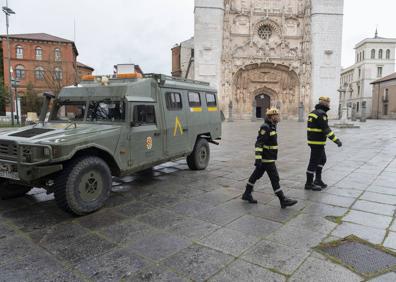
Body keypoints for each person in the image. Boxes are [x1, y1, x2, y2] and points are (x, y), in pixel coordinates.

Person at [242, 108, 298, 209]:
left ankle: (247, 193)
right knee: (274, 178)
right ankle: (282, 199)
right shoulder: (266, 127)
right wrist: (258, 159)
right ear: (272, 117)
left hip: (268, 157)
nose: (279, 117)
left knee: (256, 175)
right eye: (277, 115)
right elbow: (259, 143)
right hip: (267, 158)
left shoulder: (272, 126)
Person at [305, 96, 342, 191]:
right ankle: (309, 183)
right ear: (324, 103)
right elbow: (326, 130)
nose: (329, 104)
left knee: (322, 160)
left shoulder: (313, 113)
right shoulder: (321, 114)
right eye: (328, 102)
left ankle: (317, 180)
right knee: (313, 162)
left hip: (314, 141)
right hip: (317, 142)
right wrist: (336, 140)